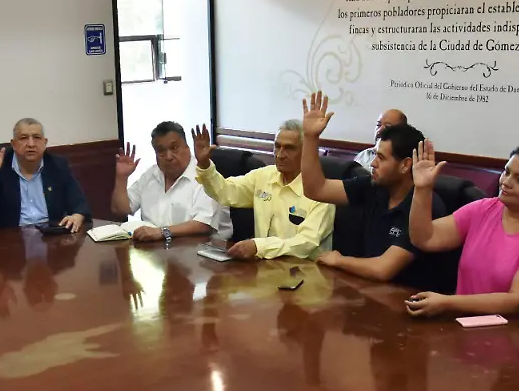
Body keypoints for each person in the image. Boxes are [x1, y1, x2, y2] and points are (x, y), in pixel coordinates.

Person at [407, 138, 519, 337]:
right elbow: (425, 238)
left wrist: (447, 302)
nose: (506, 182)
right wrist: (422, 189)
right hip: (474, 329)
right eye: (507, 172)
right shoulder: (484, 209)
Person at [298, 91, 449, 290]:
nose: (373, 164)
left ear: (405, 165)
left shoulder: (425, 204)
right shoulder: (374, 186)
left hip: (409, 299)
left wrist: (340, 260)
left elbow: (383, 269)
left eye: (381, 158)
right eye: (375, 155)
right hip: (369, 291)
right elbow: (316, 189)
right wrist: (310, 137)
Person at [192, 122, 335, 260]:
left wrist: (259, 247)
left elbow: (305, 243)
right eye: (277, 146)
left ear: (306, 152)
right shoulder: (263, 176)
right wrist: (205, 165)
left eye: (289, 148)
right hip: (263, 266)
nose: (280, 154)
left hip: (304, 271)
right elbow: (226, 192)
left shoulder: (322, 192)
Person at [0, 118, 92, 233]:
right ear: (13, 144)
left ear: (45, 142)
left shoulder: (57, 165)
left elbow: (79, 203)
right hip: (9, 241)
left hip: (50, 236)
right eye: (23, 138)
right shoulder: (0, 166)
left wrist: (77, 216)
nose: (31, 144)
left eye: (36, 137)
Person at [111, 121, 231, 242]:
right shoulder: (151, 174)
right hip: (157, 248)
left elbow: (203, 225)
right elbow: (121, 209)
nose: (168, 157)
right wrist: (121, 177)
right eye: (161, 151)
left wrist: (162, 232)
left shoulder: (205, 175)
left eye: (174, 148)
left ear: (187, 147)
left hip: (203, 249)